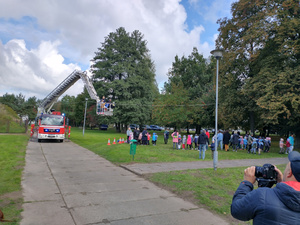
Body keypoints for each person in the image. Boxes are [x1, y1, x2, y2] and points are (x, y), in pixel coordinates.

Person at [231, 151, 300, 224]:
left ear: (290, 173)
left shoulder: (262, 195)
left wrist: (246, 183)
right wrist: (282, 182)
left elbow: (237, 210)